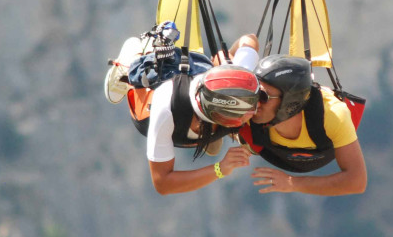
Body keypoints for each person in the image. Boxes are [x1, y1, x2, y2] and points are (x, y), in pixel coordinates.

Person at [142, 34, 262, 195]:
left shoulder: (240, 82)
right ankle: (129, 57)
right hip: (149, 113)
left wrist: (227, 62)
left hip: (206, 112)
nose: (259, 106)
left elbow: (249, 40)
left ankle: (212, 137)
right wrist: (220, 169)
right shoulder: (167, 106)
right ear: (226, 120)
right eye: (245, 112)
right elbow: (162, 183)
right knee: (137, 71)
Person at [241, 55, 367, 196]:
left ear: (289, 102)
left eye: (263, 97)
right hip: (270, 149)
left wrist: (292, 183)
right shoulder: (247, 107)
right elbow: (249, 41)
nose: (255, 103)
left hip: (323, 151)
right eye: (254, 93)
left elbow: (356, 182)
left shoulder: (333, 115)